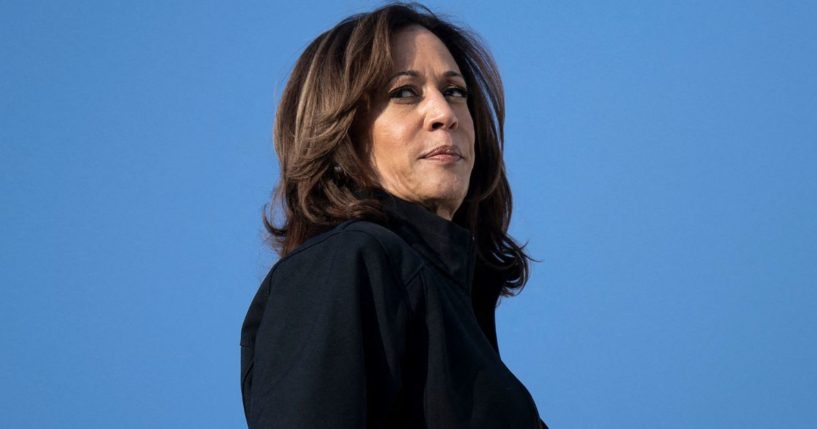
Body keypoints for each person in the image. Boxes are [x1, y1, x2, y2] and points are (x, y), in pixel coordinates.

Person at [240, 3, 547, 428]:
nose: (444, 114)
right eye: (404, 92)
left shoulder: (454, 308)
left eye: (455, 91)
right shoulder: (349, 259)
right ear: (341, 135)